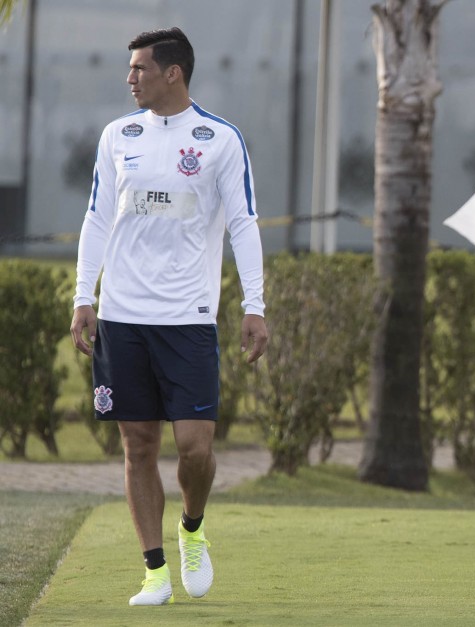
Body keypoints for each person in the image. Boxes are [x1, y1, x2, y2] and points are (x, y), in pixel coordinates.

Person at [70, 27, 268, 606]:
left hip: (189, 317)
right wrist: (85, 296)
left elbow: (243, 226)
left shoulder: (219, 140)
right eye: (130, 69)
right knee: (137, 447)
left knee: (196, 449)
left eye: (139, 68)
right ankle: (154, 571)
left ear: (172, 72)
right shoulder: (117, 135)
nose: (129, 78)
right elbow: (97, 220)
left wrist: (254, 306)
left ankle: (192, 529)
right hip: (123, 317)